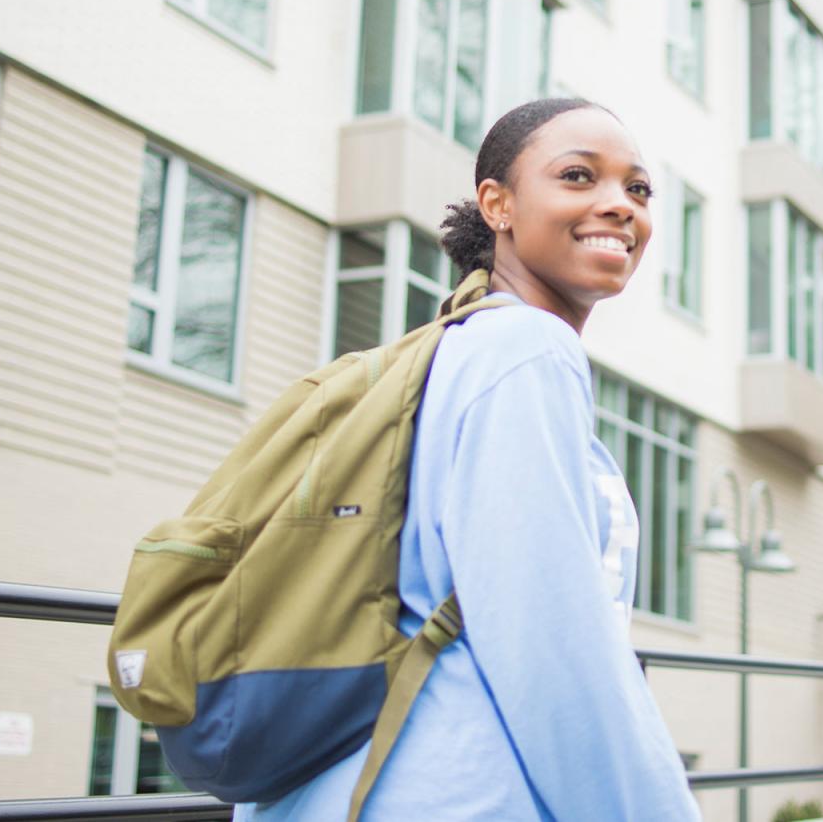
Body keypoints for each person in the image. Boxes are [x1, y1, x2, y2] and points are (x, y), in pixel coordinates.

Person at [235, 98, 700, 820]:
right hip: (461, 789)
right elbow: (551, 647)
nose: (618, 205)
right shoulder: (526, 350)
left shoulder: (443, 354)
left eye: (637, 189)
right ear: (498, 204)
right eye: (578, 177)